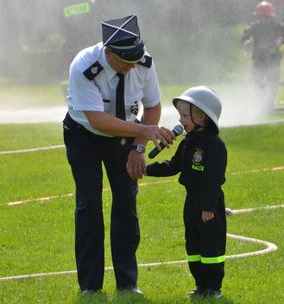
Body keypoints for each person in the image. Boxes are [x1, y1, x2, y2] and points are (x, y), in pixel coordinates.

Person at [62, 15, 176, 295]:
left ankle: (128, 283)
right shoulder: (84, 65)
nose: (133, 66)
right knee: (88, 205)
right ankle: (90, 286)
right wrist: (146, 130)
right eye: (127, 61)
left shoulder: (143, 62)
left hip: (125, 138)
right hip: (84, 136)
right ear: (108, 53)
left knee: (126, 204)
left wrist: (138, 148)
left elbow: (152, 106)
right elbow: (97, 120)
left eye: (136, 59)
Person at [146, 86, 228, 299]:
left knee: (211, 245)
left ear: (201, 117)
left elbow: (214, 178)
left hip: (208, 203)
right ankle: (201, 285)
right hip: (191, 201)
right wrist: (146, 169)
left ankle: (213, 288)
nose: (181, 120)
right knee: (193, 243)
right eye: (180, 115)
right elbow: (173, 166)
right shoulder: (188, 142)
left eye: (185, 115)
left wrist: (208, 206)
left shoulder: (214, 145)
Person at [241, 1, 284, 111]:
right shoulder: (254, 27)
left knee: (273, 81)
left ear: (269, 16)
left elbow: (283, 35)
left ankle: (270, 102)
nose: (261, 19)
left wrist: (280, 40)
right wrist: (246, 41)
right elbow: (245, 36)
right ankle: (261, 101)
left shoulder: (277, 27)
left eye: (263, 17)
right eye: (259, 16)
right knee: (255, 80)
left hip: (273, 59)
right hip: (259, 58)